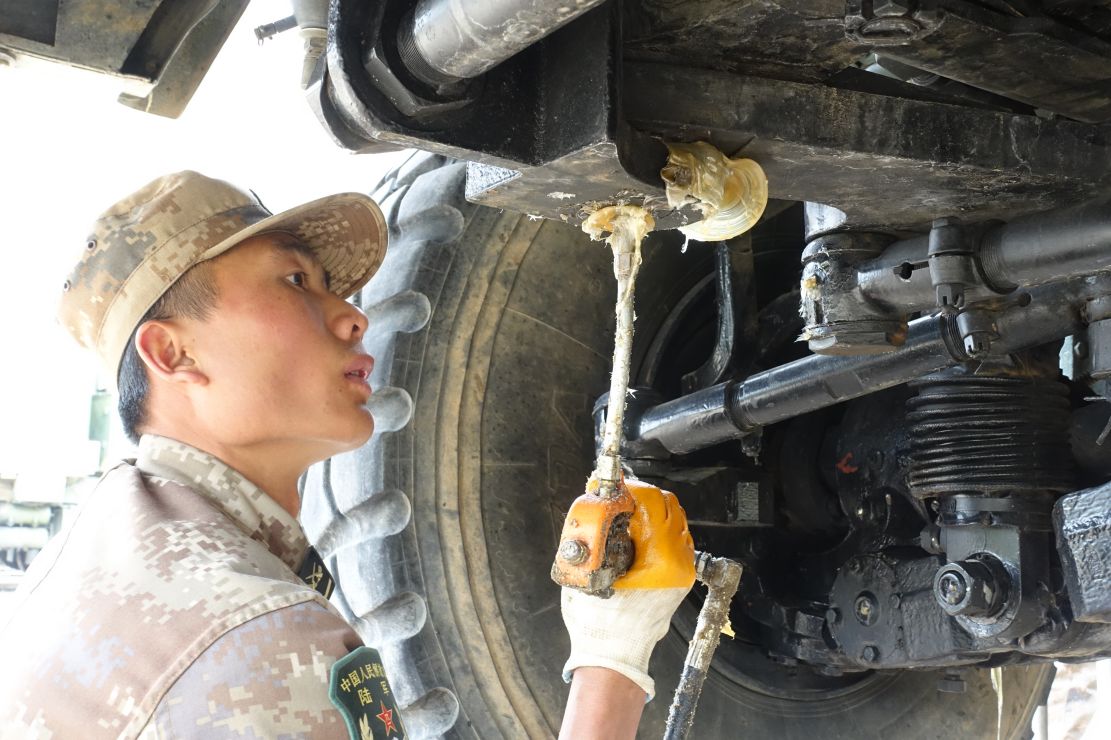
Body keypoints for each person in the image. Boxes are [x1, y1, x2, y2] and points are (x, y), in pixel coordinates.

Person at [0, 171, 695, 739]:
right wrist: (612, 662)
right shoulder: (258, 645)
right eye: (297, 283)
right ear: (173, 352)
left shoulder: (110, 550)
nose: (353, 314)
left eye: (332, 286)